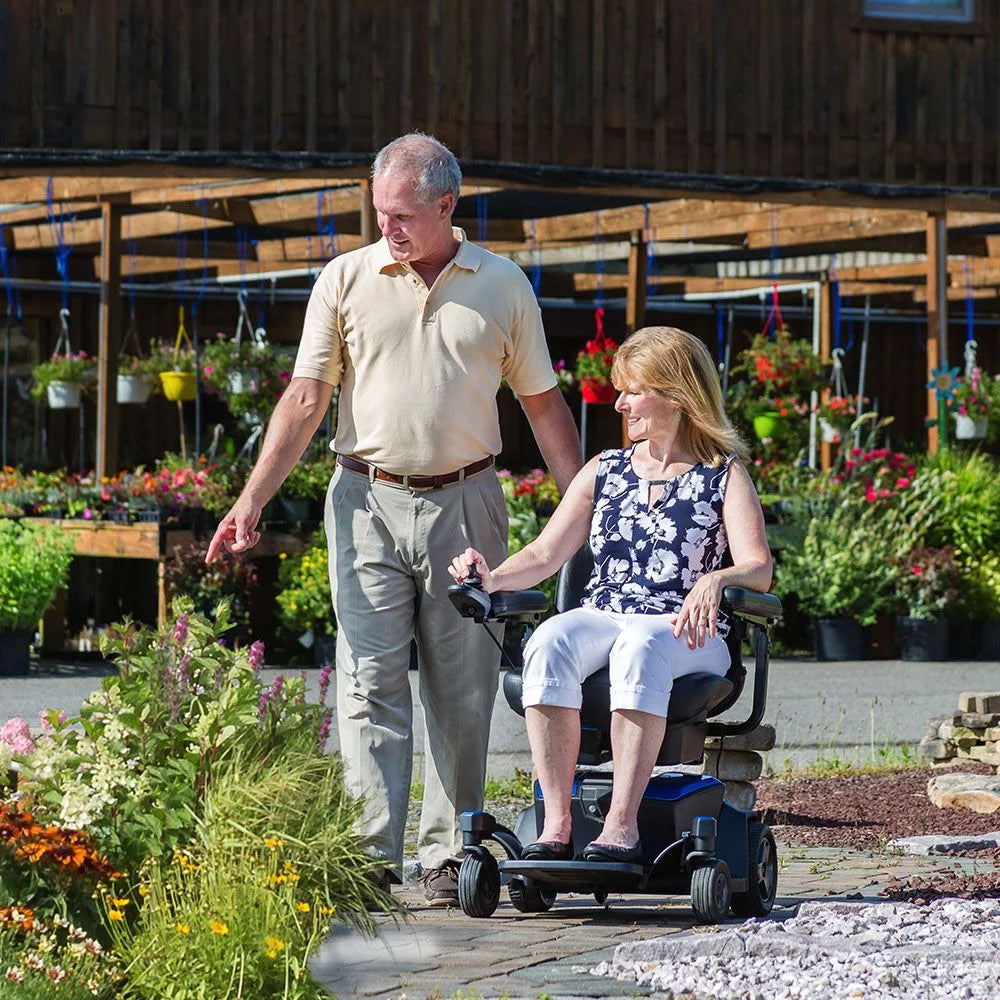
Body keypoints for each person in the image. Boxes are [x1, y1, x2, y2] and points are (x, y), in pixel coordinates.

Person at [206, 132, 581, 905]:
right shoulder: (345, 279)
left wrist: (584, 514)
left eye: (405, 215)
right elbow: (306, 398)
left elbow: (543, 407)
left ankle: (449, 857)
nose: (389, 229)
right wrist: (251, 498)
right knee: (368, 678)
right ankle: (372, 857)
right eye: (380, 213)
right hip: (365, 501)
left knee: (462, 685)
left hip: (468, 503)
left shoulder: (503, 285)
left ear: (448, 206)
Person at [449, 326, 772, 863]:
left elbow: (759, 569)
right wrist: (491, 576)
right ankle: (556, 825)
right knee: (551, 639)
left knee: (640, 646)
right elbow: (545, 554)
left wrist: (716, 580)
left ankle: (622, 825)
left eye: (633, 390)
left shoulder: (722, 474)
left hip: (686, 631)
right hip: (608, 614)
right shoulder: (606, 470)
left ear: (677, 393)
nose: (620, 403)